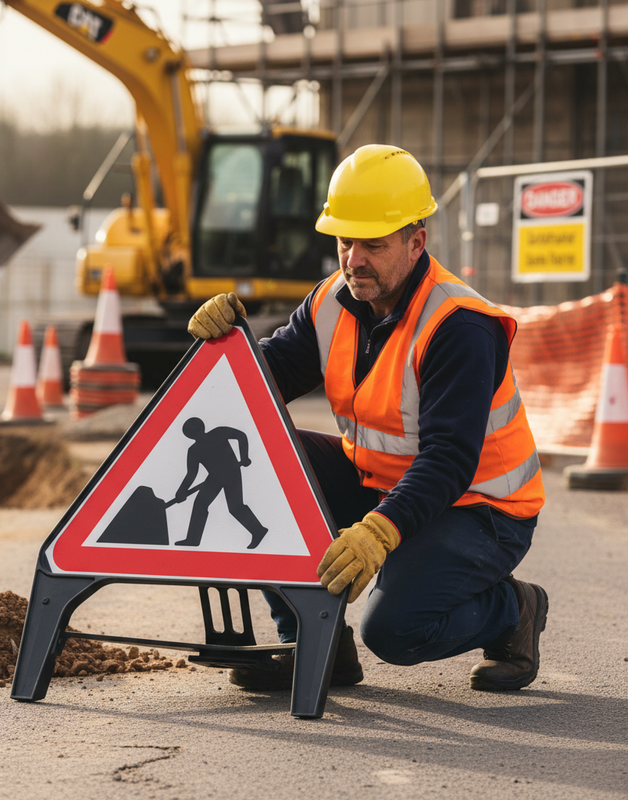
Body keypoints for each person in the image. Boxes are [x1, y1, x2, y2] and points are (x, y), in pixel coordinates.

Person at [187, 144, 548, 693]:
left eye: (373, 245)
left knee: (395, 630)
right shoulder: (332, 300)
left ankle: (513, 609)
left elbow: (450, 459)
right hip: (380, 481)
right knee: (255, 456)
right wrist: (228, 346)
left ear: (415, 241)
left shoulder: (460, 325)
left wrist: (378, 533)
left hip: (480, 506)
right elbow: (262, 385)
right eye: (344, 241)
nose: (354, 259)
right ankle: (316, 644)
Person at [173, 417, 268, 549]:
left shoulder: (218, 433)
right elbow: (191, 474)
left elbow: (241, 436)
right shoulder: (194, 450)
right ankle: (193, 539)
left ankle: (258, 531)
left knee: (235, 507)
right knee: (200, 504)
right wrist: (182, 490)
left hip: (231, 473)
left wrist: (244, 456)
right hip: (214, 478)